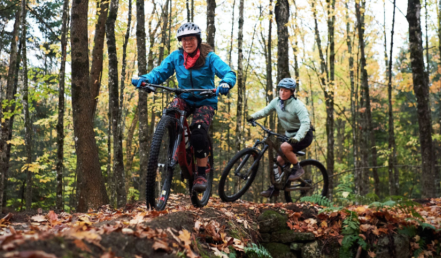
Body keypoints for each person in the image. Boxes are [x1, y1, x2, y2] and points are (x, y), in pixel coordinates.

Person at [132, 22, 236, 193]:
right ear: (180, 42)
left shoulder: (209, 57)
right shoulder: (176, 57)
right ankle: (176, 148)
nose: (187, 43)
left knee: (198, 134)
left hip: (205, 100)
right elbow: (160, 72)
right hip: (184, 97)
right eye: (184, 40)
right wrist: (145, 79)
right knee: (171, 113)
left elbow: (228, 72)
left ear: (197, 39)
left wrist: (225, 83)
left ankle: (201, 173)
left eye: (191, 39)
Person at [247, 78, 314, 198]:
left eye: (286, 91)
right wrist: (253, 116)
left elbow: (305, 123)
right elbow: (265, 111)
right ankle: (275, 187)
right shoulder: (276, 102)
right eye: (281, 90)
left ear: (292, 92)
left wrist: (298, 137)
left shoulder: (298, 105)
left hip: (304, 135)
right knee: (278, 161)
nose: (282, 93)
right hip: (289, 134)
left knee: (284, 147)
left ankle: (298, 169)